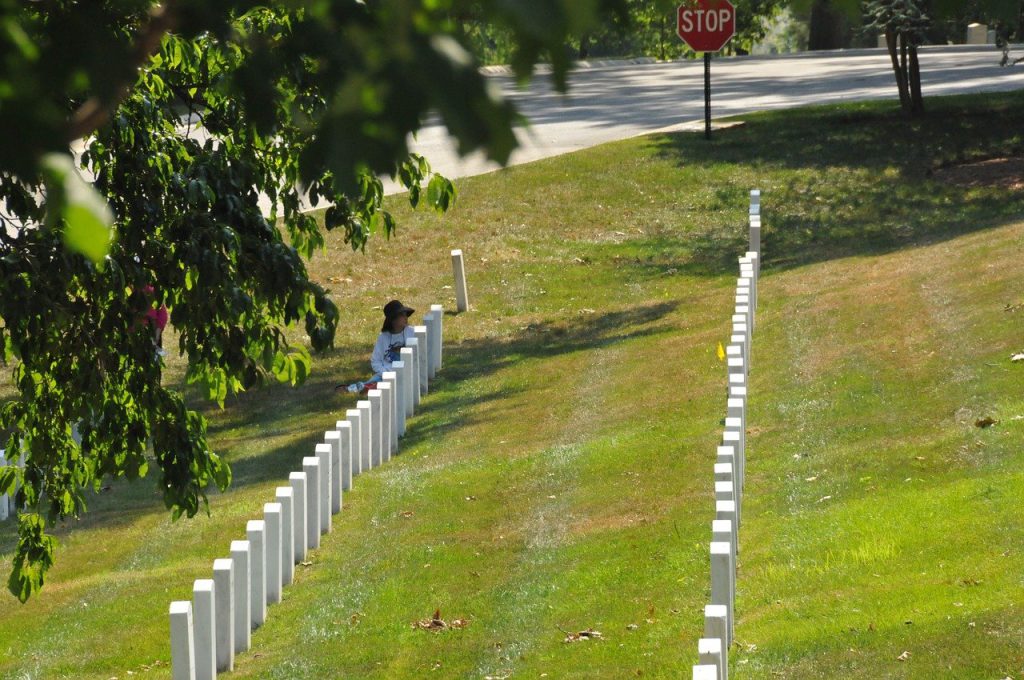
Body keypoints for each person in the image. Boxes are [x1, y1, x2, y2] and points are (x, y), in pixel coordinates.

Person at [344, 300, 416, 393]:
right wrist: (385, 373)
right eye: (402, 315)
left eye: (406, 314)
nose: (406, 317)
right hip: (385, 373)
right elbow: (375, 361)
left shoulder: (412, 332)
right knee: (373, 381)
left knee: (387, 384)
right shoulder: (383, 337)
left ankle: (368, 388)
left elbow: (417, 356)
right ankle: (356, 389)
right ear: (393, 319)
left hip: (406, 372)